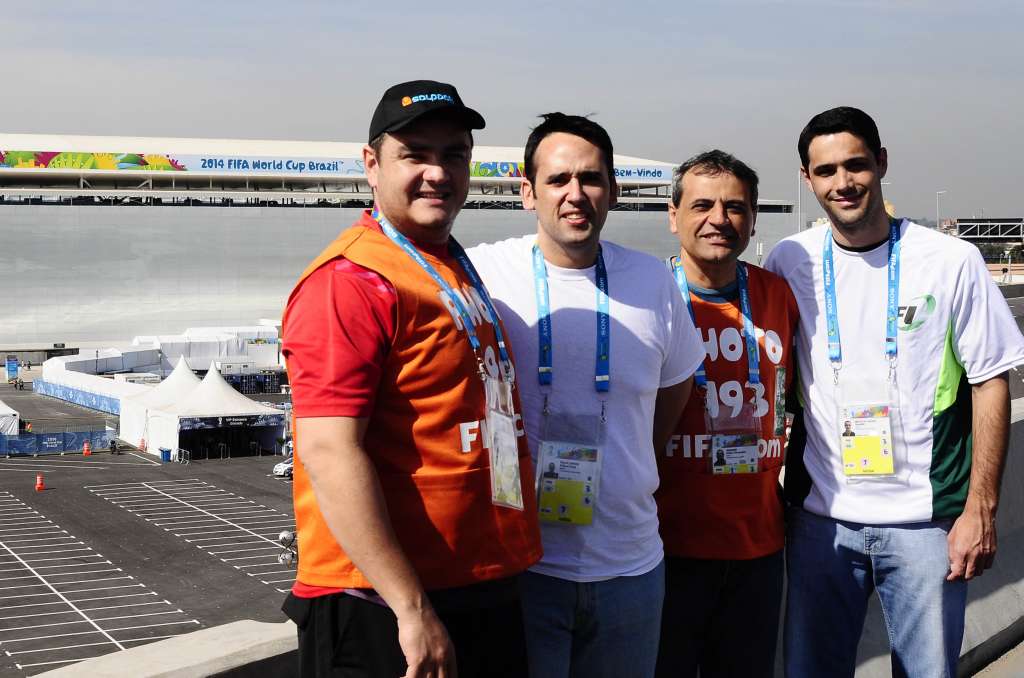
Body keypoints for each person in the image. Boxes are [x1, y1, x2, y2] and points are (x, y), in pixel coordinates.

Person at [281, 80, 542, 678]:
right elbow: (328, 450)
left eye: (453, 154)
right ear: (372, 165)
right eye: (415, 154)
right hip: (383, 602)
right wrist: (410, 607)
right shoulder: (349, 281)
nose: (437, 172)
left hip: (473, 582)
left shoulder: (446, 260)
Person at [765, 106, 1024, 678]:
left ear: (881, 164)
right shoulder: (789, 260)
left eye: (855, 165)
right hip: (820, 523)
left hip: (926, 527)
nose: (843, 182)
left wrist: (980, 508)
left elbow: (991, 381)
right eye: (826, 170)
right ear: (808, 179)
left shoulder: (951, 260)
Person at [468, 113, 704, 678]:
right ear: (528, 192)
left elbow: (672, 393)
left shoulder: (653, 283)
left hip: (630, 567)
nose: (576, 195)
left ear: (613, 191)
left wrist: (626, 459)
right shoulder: (483, 273)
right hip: (525, 570)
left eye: (592, 179)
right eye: (558, 180)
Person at [655, 150, 798, 678]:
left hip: (757, 550)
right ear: (673, 217)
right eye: (702, 205)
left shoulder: (778, 294)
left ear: (754, 218)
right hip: (665, 550)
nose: (719, 219)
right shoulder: (649, 295)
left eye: (735, 207)